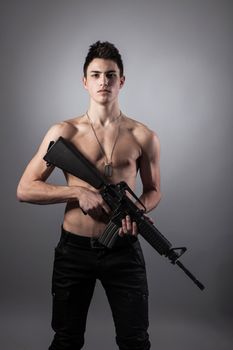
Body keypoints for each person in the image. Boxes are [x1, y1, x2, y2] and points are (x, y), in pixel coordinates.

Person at [17, 41, 161, 350]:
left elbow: (153, 191)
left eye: (111, 75)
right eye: (95, 75)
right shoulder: (63, 133)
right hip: (74, 251)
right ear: (85, 81)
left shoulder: (143, 136)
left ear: (121, 81)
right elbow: (25, 188)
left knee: (135, 341)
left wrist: (138, 210)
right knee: (66, 340)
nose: (103, 82)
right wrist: (77, 192)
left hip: (124, 250)